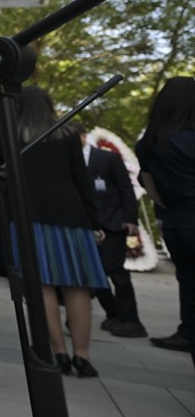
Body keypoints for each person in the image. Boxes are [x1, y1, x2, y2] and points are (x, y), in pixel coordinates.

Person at [0, 86, 107, 377]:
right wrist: (94, 222)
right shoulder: (67, 132)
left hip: (25, 215)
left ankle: (57, 353)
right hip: (72, 216)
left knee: (41, 285)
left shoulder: (5, 132)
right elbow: (81, 180)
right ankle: (82, 357)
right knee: (77, 286)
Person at [134, 76, 195, 361]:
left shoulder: (149, 144)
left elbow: (152, 191)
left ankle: (187, 332)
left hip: (176, 222)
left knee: (188, 284)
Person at [78, 124, 146, 338]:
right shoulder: (69, 162)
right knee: (93, 273)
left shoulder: (107, 158)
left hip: (113, 223)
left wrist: (129, 219)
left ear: (83, 136)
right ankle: (114, 313)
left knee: (114, 270)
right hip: (86, 225)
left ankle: (130, 320)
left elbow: (126, 188)